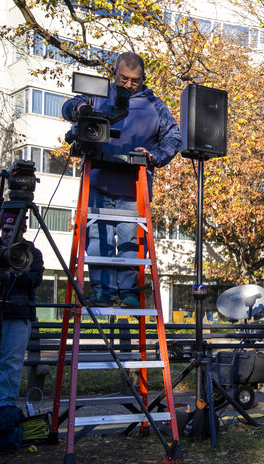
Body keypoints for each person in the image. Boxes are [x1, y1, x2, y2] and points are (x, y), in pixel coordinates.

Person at [61, 51, 180, 308]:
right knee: (97, 239)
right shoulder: (98, 94)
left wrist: (155, 155)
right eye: (123, 78)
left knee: (131, 242)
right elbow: (67, 108)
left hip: (134, 187)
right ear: (115, 73)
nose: (128, 84)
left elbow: (174, 137)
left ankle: (129, 293)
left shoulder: (155, 105)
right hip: (97, 180)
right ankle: (102, 291)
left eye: (134, 80)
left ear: (143, 78)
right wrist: (81, 109)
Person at [0, 211, 44, 410]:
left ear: (22, 230)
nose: (7, 234)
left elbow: (35, 281)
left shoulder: (32, 252)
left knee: (11, 362)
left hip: (18, 314)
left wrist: (16, 269)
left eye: (11, 230)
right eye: (5, 230)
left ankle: (5, 406)